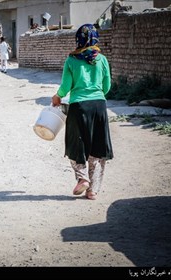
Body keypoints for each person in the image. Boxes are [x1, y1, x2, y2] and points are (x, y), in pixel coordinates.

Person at [51, 24, 113, 200]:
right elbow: (107, 86)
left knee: (76, 144)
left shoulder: (71, 60)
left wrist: (57, 97)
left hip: (79, 107)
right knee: (97, 147)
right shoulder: (102, 59)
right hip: (99, 106)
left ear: (78, 39)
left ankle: (83, 178)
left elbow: (65, 87)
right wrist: (96, 95)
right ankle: (93, 190)